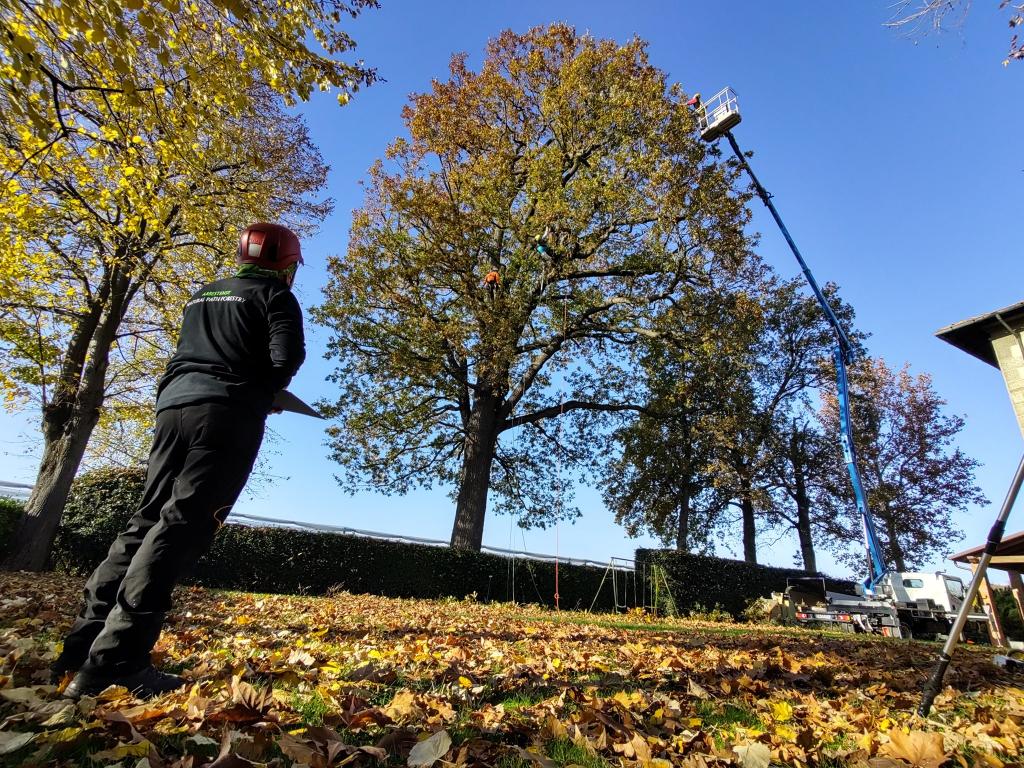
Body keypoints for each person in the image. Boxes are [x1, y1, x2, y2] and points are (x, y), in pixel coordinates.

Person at [54, 222, 306, 699]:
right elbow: (286, 357)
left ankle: (79, 648)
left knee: (146, 518)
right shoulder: (276, 297)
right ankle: (115, 662)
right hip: (226, 413)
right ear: (288, 265)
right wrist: (268, 392)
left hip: (174, 407)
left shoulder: (204, 294)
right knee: (182, 526)